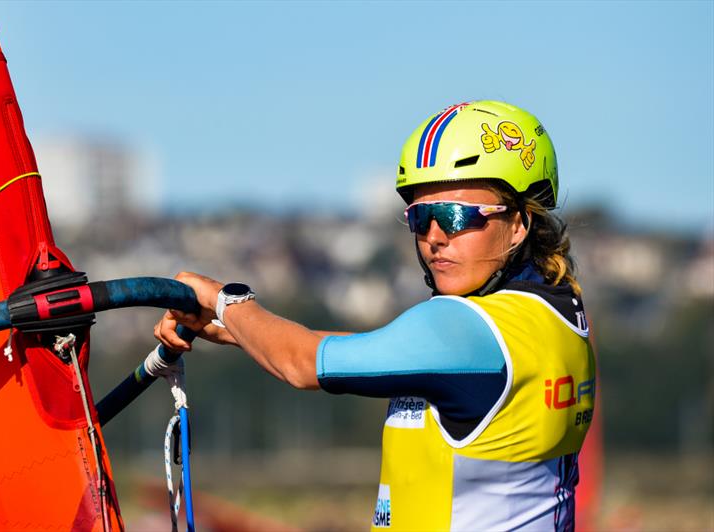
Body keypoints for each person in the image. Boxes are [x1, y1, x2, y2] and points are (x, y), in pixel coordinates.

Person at [155, 100, 596, 531]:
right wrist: (234, 332)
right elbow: (382, 352)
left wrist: (224, 301)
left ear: (518, 222)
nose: (435, 238)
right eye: (421, 218)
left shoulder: (460, 328)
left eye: (456, 216)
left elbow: (304, 363)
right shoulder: (554, 317)